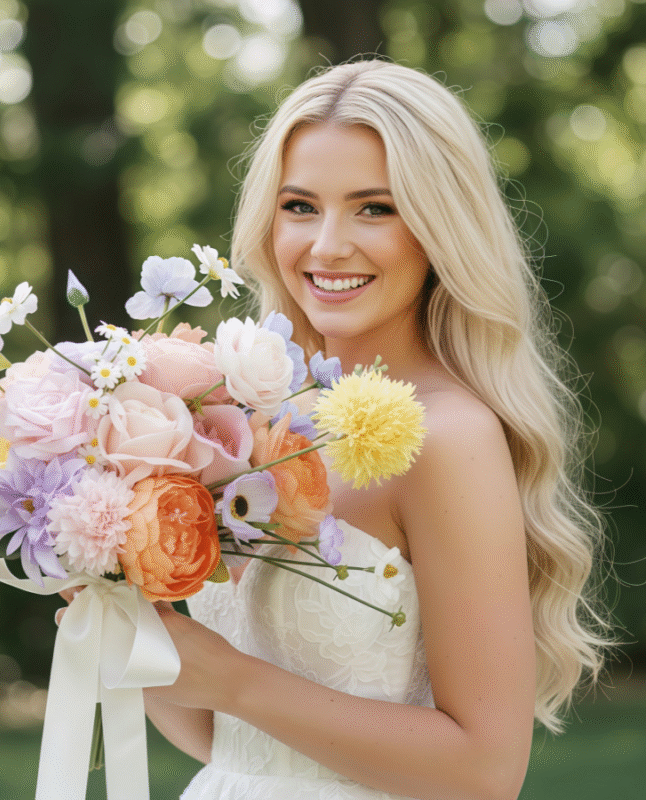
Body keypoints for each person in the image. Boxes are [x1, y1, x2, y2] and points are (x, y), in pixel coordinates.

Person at [63, 59, 613, 800]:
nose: (326, 246)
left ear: (439, 226)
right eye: (299, 206)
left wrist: (234, 680)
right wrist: (127, 613)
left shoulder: (447, 438)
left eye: (374, 208)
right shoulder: (239, 423)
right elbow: (229, 741)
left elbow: (485, 772)